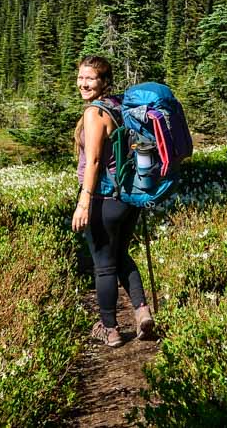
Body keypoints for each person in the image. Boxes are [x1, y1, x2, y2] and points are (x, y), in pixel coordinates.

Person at [71, 55, 155, 347]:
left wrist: (84, 202)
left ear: (104, 82)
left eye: (90, 78)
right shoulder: (120, 107)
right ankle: (143, 315)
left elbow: (94, 160)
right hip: (128, 199)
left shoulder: (95, 113)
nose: (83, 83)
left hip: (104, 198)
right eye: (81, 77)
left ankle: (110, 329)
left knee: (104, 265)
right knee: (121, 256)